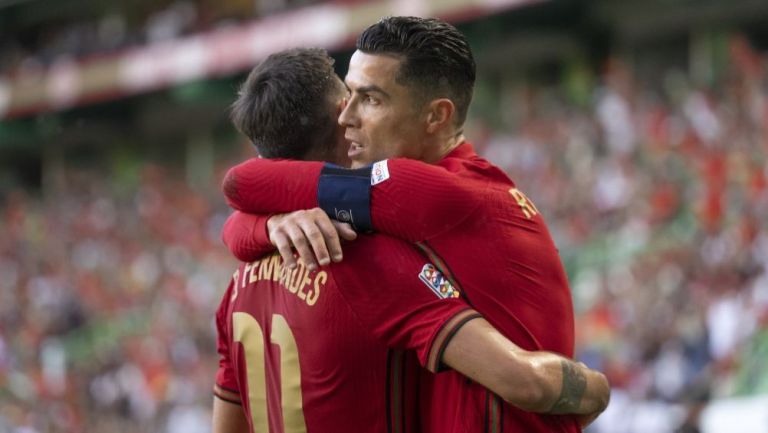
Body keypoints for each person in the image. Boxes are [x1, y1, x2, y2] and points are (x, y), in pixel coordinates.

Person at [220, 17, 605, 432]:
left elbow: (242, 182)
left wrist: (263, 227)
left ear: (436, 116)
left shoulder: (418, 194)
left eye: (370, 99)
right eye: (348, 96)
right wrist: (593, 389)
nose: (345, 118)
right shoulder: (438, 204)